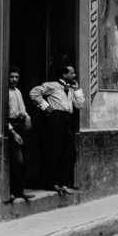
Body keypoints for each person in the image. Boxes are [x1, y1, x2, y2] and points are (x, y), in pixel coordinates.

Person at [30, 62, 85, 196]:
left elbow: (80, 104)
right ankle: (52, 183)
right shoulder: (52, 86)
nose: (74, 75)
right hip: (55, 119)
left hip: (66, 120)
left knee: (70, 152)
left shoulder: (71, 89)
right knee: (54, 151)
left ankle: (64, 183)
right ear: (64, 75)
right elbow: (34, 92)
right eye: (72, 73)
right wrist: (46, 106)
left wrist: (77, 89)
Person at [7, 66, 34, 203]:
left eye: (16, 77)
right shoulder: (5, 93)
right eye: (12, 77)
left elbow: (22, 109)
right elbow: (3, 117)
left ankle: (20, 190)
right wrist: (12, 133)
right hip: (10, 128)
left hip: (20, 125)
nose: (14, 79)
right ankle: (11, 191)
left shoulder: (17, 91)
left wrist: (27, 116)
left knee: (26, 160)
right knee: (17, 161)